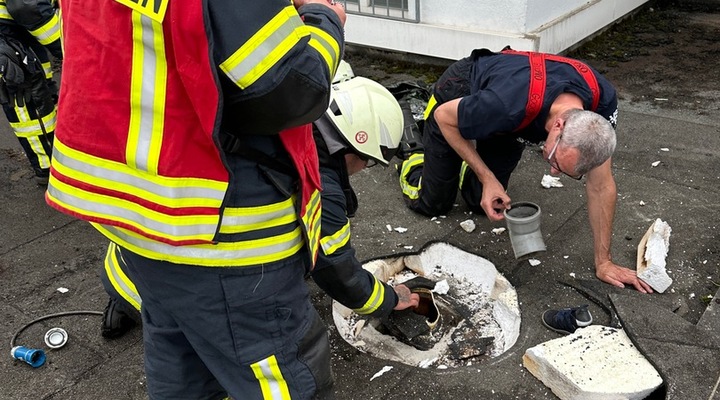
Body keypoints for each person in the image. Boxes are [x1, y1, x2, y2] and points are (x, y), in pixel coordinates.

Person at [46, 1, 348, 399]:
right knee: (285, 379)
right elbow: (292, 89)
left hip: (138, 216)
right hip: (225, 235)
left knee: (182, 368)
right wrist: (326, 19)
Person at [99, 64, 422, 341]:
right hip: (179, 293)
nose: (365, 170)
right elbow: (337, 270)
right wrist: (387, 299)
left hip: (127, 260)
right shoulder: (320, 185)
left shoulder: (281, 117)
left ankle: (120, 302)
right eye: (367, 161)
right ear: (354, 143)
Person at [397, 47, 653, 294]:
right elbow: (445, 117)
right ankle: (413, 149)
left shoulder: (601, 108)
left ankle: (468, 164)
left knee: (479, 203)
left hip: (511, 119)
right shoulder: (506, 105)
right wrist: (487, 177)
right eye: (553, 158)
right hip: (459, 92)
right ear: (558, 126)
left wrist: (604, 262)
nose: (553, 171)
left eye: (564, 170)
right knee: (434, 203)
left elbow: (601, 185)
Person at [0, 0, 61, 186]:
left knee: (42, 93)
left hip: (22, 33)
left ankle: (56, 158)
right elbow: (28, 6)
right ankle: (47, 167)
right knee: (29, 105)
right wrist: (65, 46)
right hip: (10, 39)